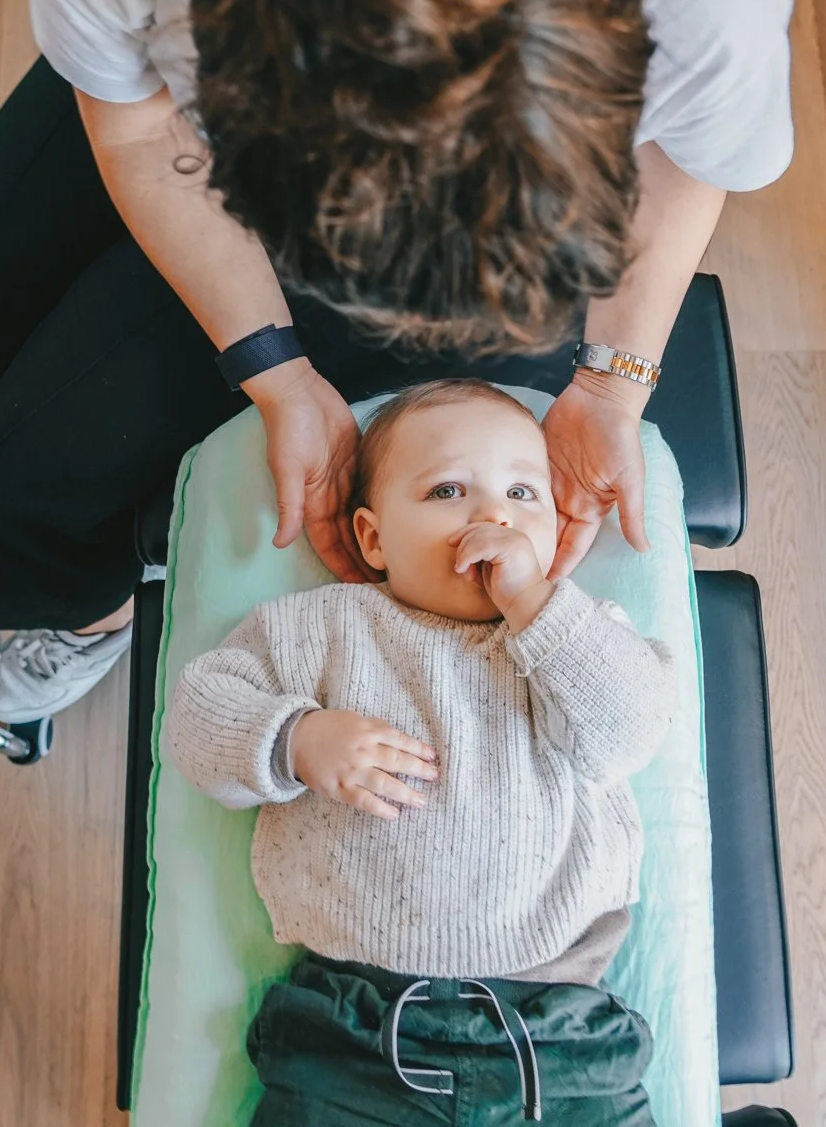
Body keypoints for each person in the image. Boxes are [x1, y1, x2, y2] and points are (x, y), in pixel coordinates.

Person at [0, 0, 794, 723]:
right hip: (159, 102)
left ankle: (83, 612)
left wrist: (611, 381)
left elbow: (695, 162)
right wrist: (272, 362)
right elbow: (141, 133)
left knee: (34, 477)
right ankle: (74, 586)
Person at [164, 380, 675, 1125]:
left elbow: (633, 728)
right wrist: (297, 738)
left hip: (555, 1029)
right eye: (446, 489)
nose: (492, 515)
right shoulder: (320, 630)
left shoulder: (578, 634)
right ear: (373, 538)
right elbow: (197, 720)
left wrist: (538, 605)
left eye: (523, 493)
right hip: (354, 1030)